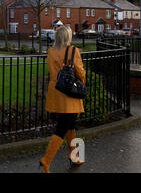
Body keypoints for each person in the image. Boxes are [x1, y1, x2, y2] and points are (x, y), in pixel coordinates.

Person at [39, 25, 86, 173]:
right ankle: (46, 160)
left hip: (56, 92)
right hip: (69, 94)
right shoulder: (73, 51)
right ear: (68, 37)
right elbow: (80, 72)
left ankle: (74, 156)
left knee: (70, 126)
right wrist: (82, 82)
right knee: (62, 128)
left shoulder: (50, 51)